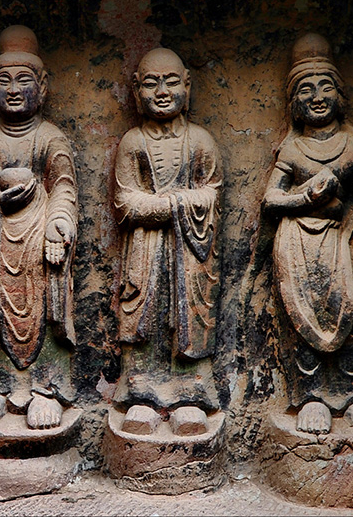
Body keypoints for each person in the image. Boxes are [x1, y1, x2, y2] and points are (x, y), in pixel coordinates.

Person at [263, 33, 353, 434]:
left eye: (326, 86)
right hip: (297, 244)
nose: (317, 96)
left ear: (339, 93)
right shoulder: (291, 150)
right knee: (302, 315)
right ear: (294, 102)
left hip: (343, 241)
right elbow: (270, 201)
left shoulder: (352, 145)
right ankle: (310, 396)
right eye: (306, 90)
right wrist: (305, 196)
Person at [0, 26, 77, 430]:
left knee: (44, 308)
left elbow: (64, 190)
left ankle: (47, 388)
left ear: (41, 87)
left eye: (23, 80)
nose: (13, 90)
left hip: (41, 245)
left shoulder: (50, 137)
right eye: (4, 81)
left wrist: (57, 229)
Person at [112, 48, 222, 433]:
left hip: (191, 250)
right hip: (144, 250)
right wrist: (174, 205)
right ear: (137, 90)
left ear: (187, 86)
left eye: (171, 81)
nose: (162, 91)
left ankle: (191, 396)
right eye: (152, 83)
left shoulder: (201, 141)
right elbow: (125, 201)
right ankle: (140, 395)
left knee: (189, 314)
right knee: (145, 312)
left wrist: (168, 204)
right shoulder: (133, 142)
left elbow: (212, 193)